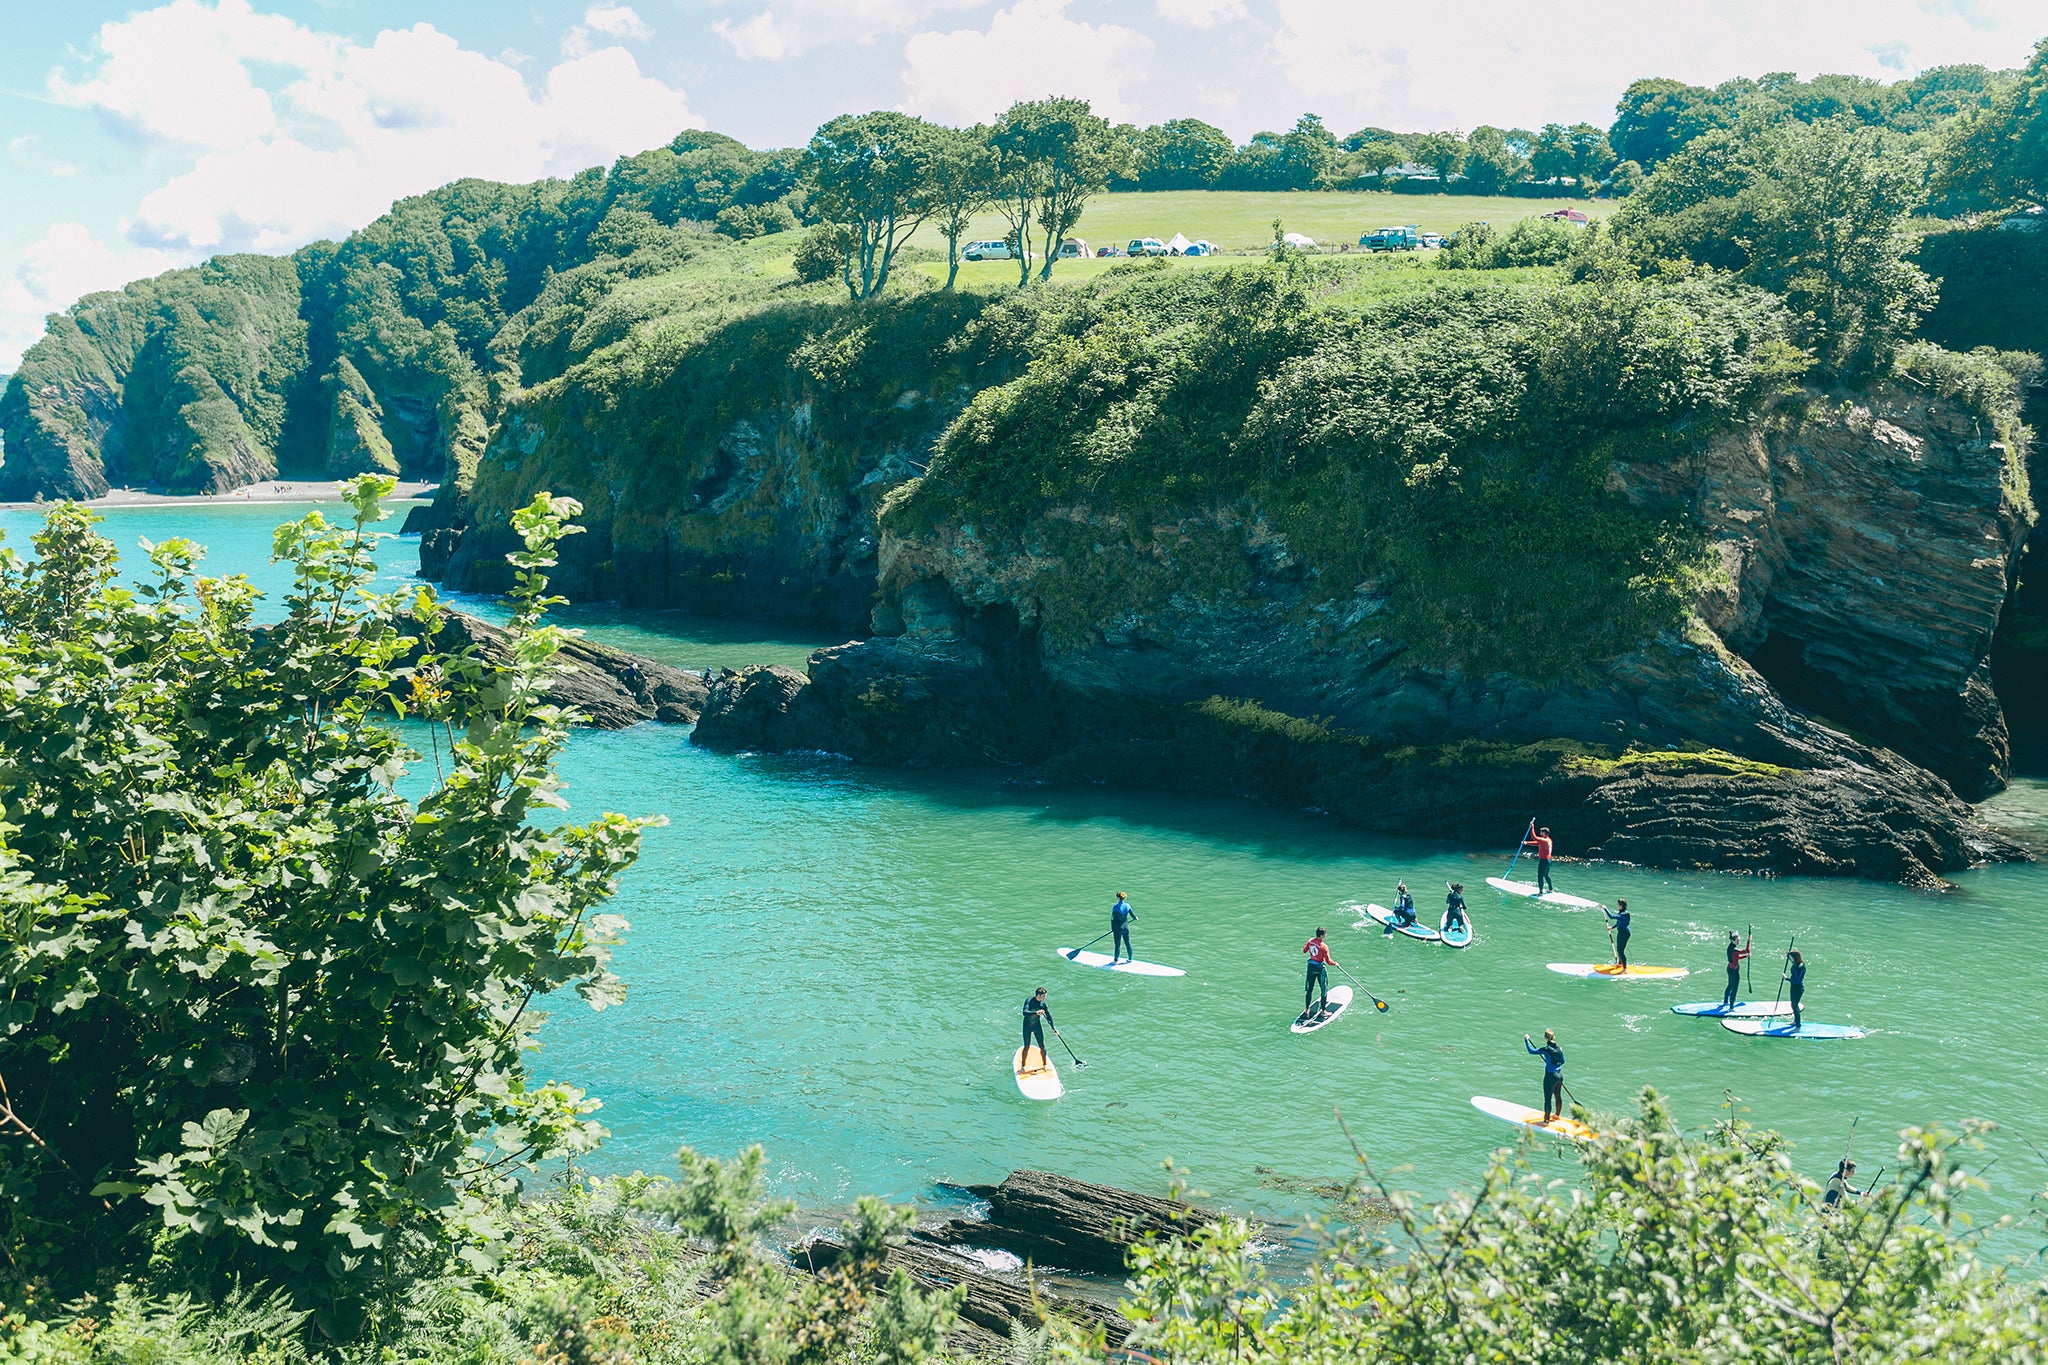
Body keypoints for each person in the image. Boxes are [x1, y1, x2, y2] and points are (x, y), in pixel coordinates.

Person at [1524, 1029, 1565, 1124]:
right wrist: (1553, 1063)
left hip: (1551, 1076)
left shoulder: (1546, 1049)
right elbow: (1562, 1061)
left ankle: (1546, 1120)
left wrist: (1526, 1040)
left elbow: (1532, 1051)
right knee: (1558, 1095)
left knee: (1548, 1098)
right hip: (1560, 1075)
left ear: (1545, 1038)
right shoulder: (1560, 1049)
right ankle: (1557, 1115)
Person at [1302, 928, 1337, 1021]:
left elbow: (1304, 951)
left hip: (1311, 968)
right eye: (1325, 934)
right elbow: (1328, 962)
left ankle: (1307, 1009)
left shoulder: (1310, 942)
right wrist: (1335, 963)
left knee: (1309, 989)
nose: (1326, 936)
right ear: (1321, 935)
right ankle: (1323, 1011)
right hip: (1320, 969)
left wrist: (1308, 943)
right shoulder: (1323, 946)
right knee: (1324, 990)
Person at [1021, 987, 1055, 1071]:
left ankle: (1044, 1065)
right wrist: (1036, 1012)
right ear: (1038, 995)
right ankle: (1023, 1066)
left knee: (1042, 1046)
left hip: (1037, 1026)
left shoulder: (1043, 1004)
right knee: (1026, 1046)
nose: (1044, 998)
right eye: (1044, 996)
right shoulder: (1029, 1001)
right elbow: (1024, 1012)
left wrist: (1053, 1028)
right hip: (1027, 1026)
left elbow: (1049, 1016)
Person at [1722, 931, 1751, 1009]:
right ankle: (1731, 1007)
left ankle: (1725, 1002)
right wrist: (1749, 941)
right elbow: (1746, 951)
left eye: (1739, 941)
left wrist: (1746, 956)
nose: (1738, 942)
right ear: (1732, 940)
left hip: (1730, 969)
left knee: (1730, 986)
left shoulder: (1730, 947)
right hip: (1734, 971)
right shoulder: (1734, 949)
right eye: (1737, 941)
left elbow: (1736, 958)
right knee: (1734, 989)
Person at [1522, 825, 1555, 894]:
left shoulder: (1545, 840)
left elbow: (1534, 837)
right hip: (1548, 861)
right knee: (1546, 875)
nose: (1540, 833)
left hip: (1544, 861)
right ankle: (1551, 889)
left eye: (1541, 832)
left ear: (1544, 833)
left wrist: (1532, 827)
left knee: (1540, 876)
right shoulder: (1547, 840)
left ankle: (1540, 892)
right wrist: (1527, 843)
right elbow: (1537, 843)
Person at [1604, 898, 1631, 970]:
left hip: (1625, 934)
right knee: (1618, 949)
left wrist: (1605, 909)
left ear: (1621, 905)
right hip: (1620, 933)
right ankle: (1620, 963)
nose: (1617, 906)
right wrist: (1612, 927)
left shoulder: (1624, 914)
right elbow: (1619, 923)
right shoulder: (1621, 912)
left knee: (1620, 951)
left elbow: (1611, 917)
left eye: (1618, 905)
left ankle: (1624, 968)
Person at [1110, 891, 1136, 965]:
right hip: (1125, 928)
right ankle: (1130, 959)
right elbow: (1132, 915)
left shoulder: (1115, 907)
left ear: (1118, 898)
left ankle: (1115, 961)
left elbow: (1112, 919)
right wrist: (1135, 918)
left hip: (1117, 929)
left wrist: (1112, 928)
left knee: (1117, 945)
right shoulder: (1127, 905)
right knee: (1127, 943)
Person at [1784, 949, 1807, 1030]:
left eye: (1791, 957)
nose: (1790, 959)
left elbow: (1796, 980)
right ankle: (1795, 1021)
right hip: (1793, 987)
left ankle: (1798, 1024)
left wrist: (1786, 978)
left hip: (1798, 988)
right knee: (1792, 1004)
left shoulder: (1801, 967)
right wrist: (1788, 956)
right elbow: (1792, 962)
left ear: (1795, 957)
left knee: (1795, 1005)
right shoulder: (1796, 963)